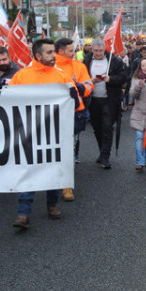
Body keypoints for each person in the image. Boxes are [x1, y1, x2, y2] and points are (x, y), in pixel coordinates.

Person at [9, 39, 76, 230]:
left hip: (55, 131)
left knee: (53, 169)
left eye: (54, 52)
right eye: (49, 52)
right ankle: (23, 213)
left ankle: (52, 204)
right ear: (38, 56)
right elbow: (8, 101)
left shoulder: (62, 76)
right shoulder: (22, 76)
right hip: (28, 132)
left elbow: (76, 101)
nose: (54, 55)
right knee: (28, 169)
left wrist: (76, 93)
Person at [54, 37, 93, 200]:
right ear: (61, 51)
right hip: (51, 115)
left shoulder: (79, 66)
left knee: (69, 148)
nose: (75, 52)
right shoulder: (49, 67)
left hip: (73, 112)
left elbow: (89, 87)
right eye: (71, 50)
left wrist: (79, 86)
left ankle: (66, 186)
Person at [83, 37, 128, 169]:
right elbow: (82, 78)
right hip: (93, 99)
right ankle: (102, 151)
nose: (98, 53)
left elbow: (124, 77)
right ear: (92, 49)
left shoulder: (114, 60)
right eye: (95, 50)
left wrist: (110, 79)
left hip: (109, 99)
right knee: (97, 128)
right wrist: (90, 80)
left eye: (100, 51)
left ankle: (105, 157)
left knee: (108, 126)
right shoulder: (86, 61)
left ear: (105, 49)